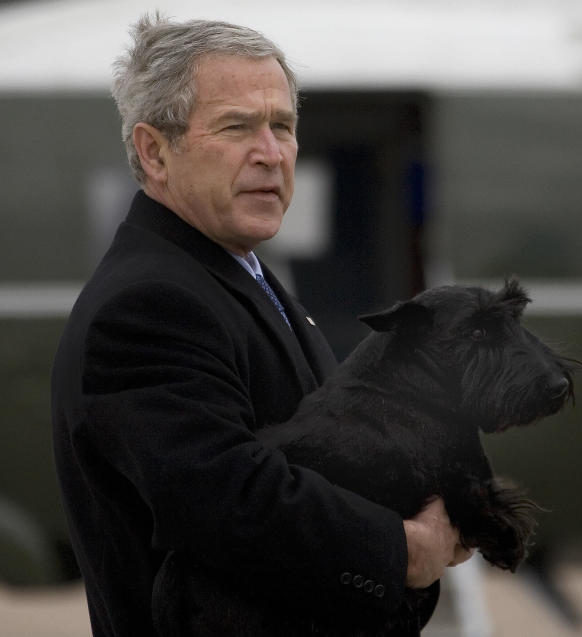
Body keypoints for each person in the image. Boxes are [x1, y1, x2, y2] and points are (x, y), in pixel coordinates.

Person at [50, 14, 471, 637]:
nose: (271, 154)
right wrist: (401, 551)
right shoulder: (147, 303)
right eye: (237, 127)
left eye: (283, 127)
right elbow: (230, 503)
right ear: (153, 151)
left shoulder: (233, 275)